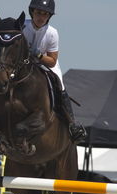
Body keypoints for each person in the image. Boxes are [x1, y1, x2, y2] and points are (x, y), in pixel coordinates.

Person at [22, 0, 86, 142]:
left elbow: (52, 61)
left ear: (49, 16)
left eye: (45, 14)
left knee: (60, 84)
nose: (41, 17)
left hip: (44, 64)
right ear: (32, 12)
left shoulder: (52, 33)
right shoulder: (22, 26)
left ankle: (72, 124)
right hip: (24, 64)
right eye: (39, 13)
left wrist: (38, 55)